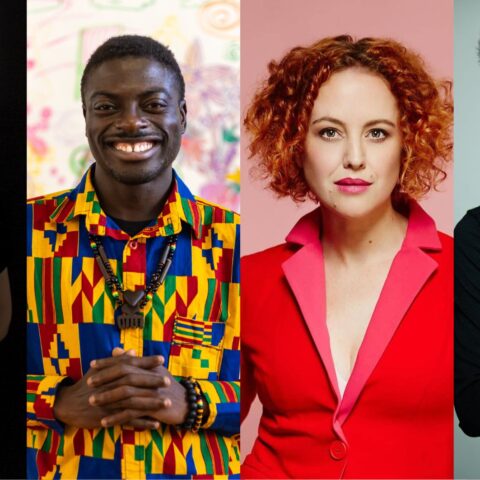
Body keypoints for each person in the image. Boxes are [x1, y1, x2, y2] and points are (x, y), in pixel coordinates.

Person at [27, 35, 240, 479]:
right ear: (85, 118)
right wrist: (54, 400)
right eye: (107, 107)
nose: (131, 122)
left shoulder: (236, 243)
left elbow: (289, 399)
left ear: (181, 115)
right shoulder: (28, 233)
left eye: (153, 104)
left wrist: (197, 402)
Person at [241, 35, 453, 479]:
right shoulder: (251, 279)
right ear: (296, 144)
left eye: (377, 133)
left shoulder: (462, 270)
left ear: (407, 143)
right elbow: (209, 428)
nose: (354, 158)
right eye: (329, 132)